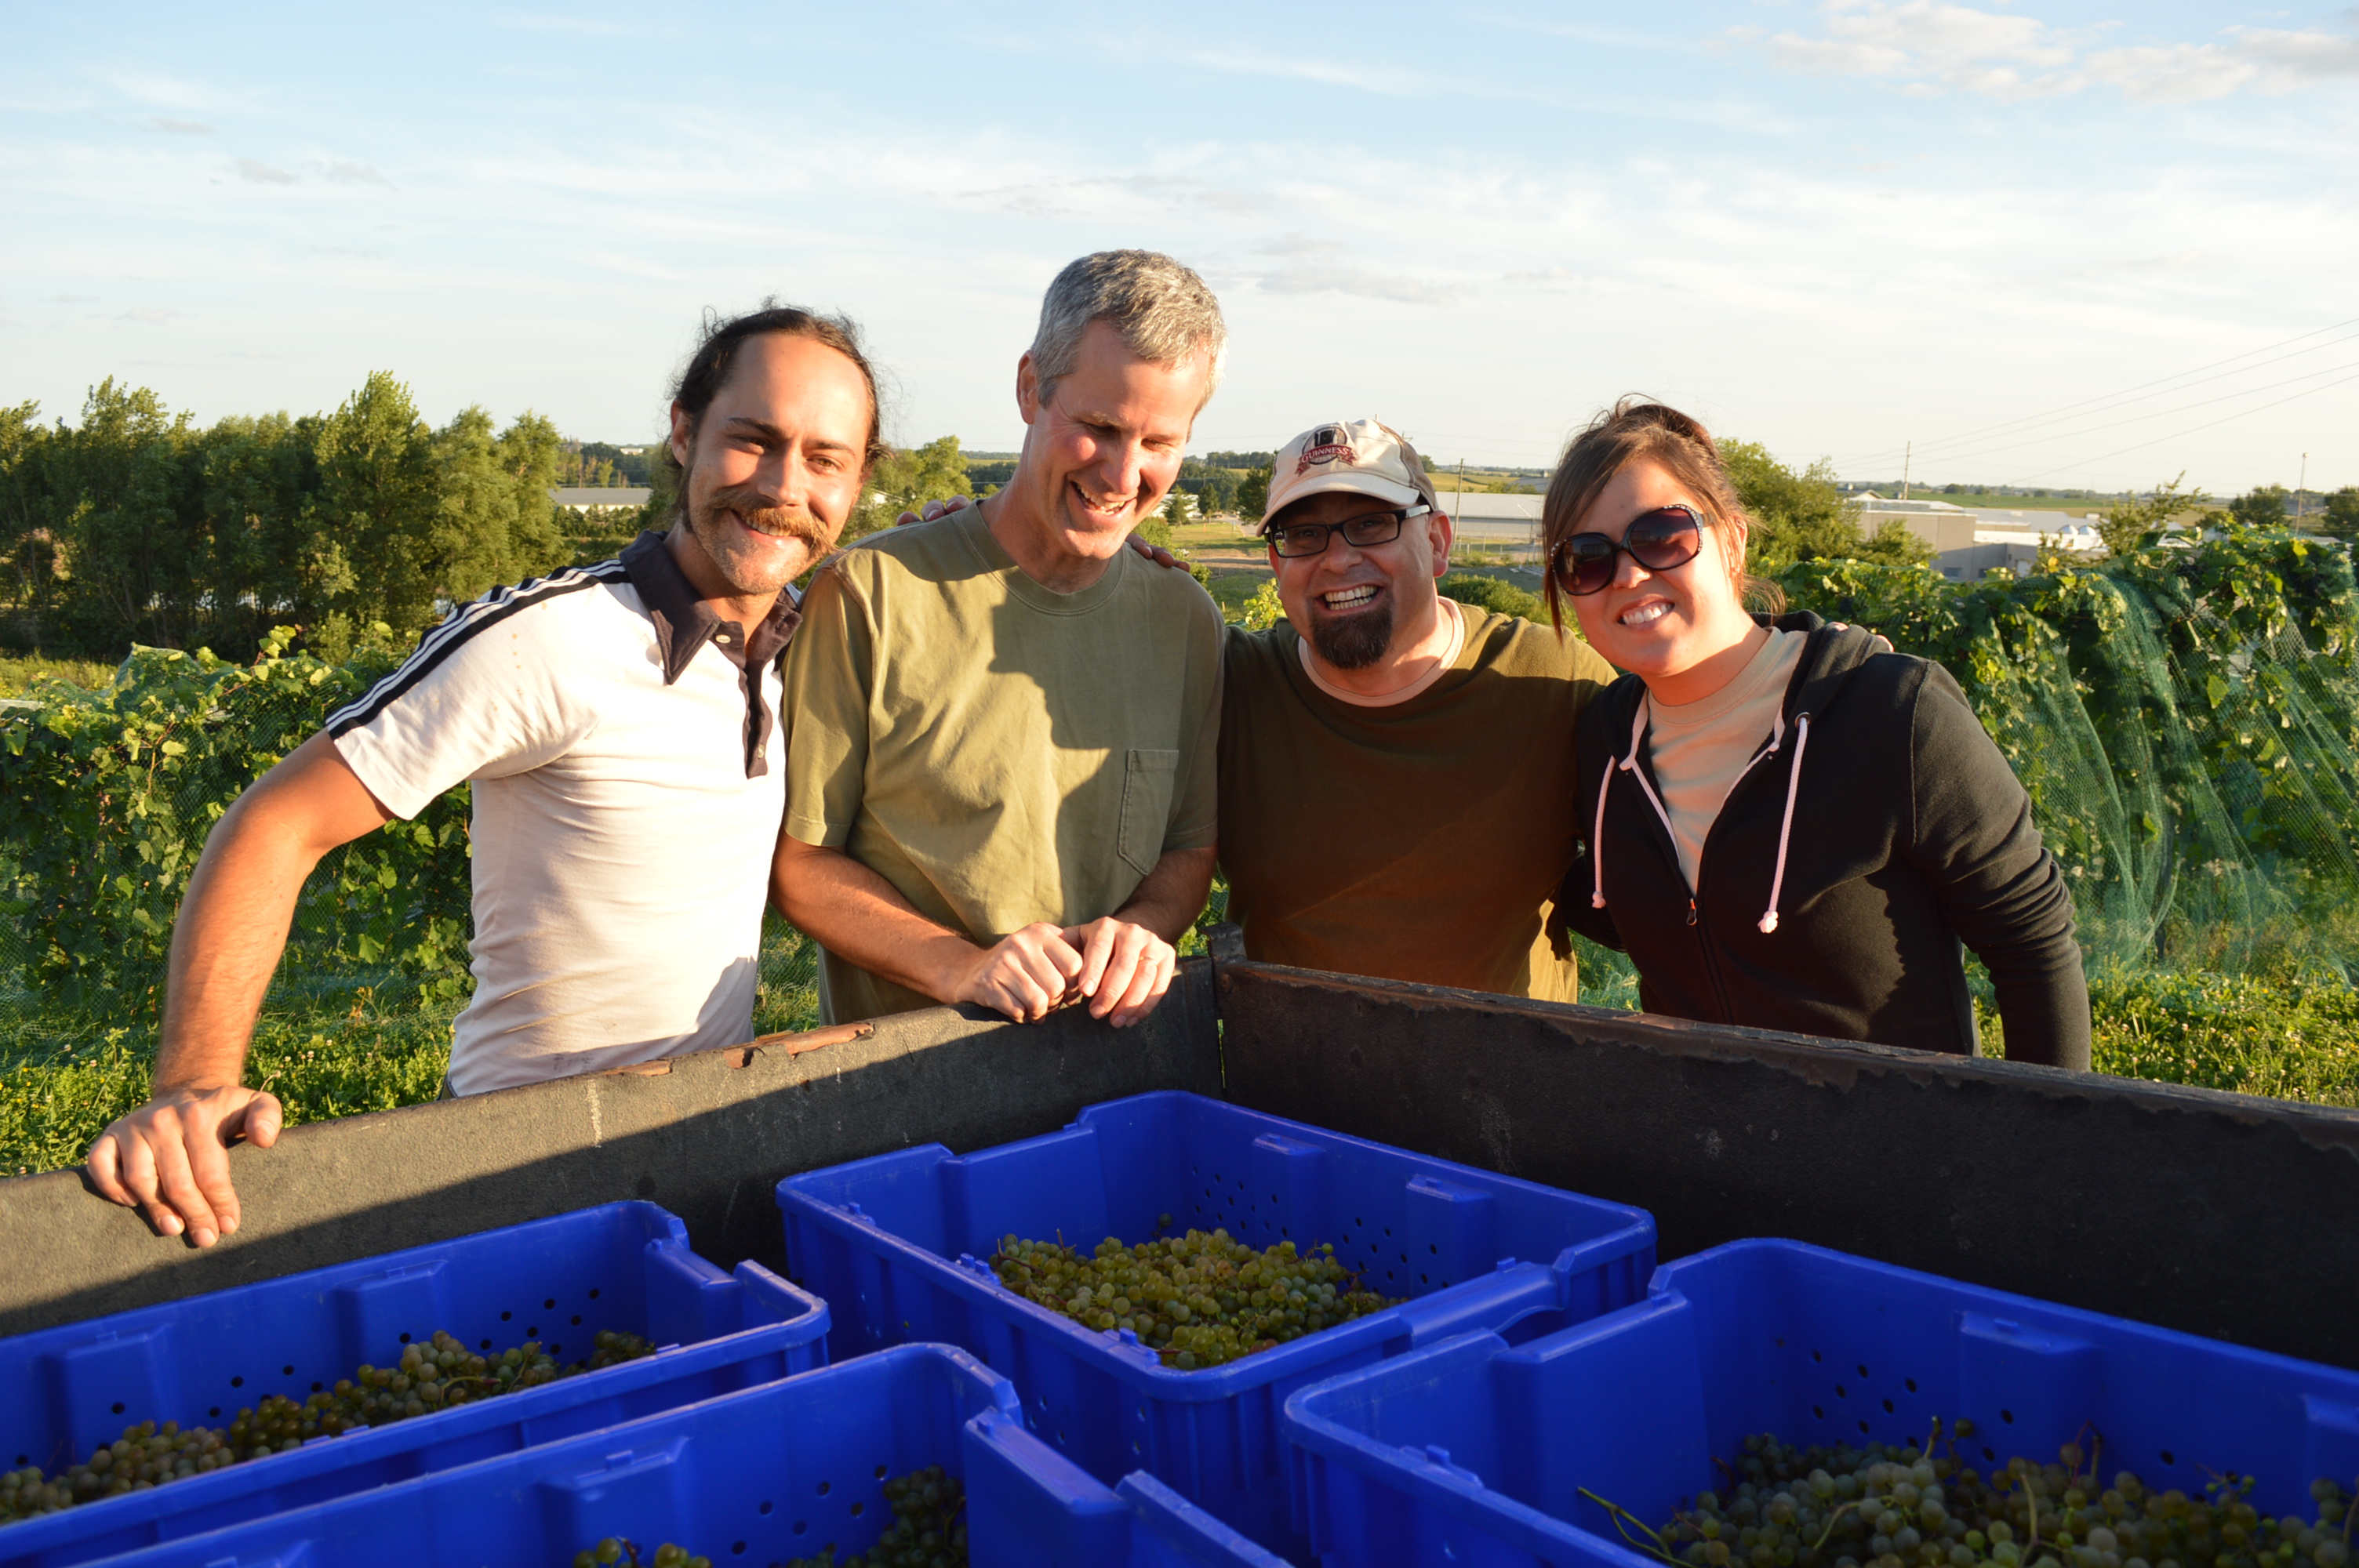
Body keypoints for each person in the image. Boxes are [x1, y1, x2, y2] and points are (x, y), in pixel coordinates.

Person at [85, 302, 886, 1247]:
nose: (783, 486)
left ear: (858, 481)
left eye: (825, 459)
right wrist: (191, 1086)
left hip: (699, 1150)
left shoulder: (810, 641)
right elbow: (273, 825)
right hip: (516, 1168)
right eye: (752, 440)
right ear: (682, 431)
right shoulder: (551, 638)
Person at [1554, 399, 2090, 1066]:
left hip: (1896, 1153)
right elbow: (1643, 906)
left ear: (1731, 540)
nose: (1629, 575)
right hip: (1695, 1148)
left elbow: (2032, 942)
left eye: (1662, 535)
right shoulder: (1603, 743)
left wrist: (2038, 1148)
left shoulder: (1890, 714)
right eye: (1587, 557)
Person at [770, 251, 1225, 1030]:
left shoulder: (1186, 620)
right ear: (1028, 387)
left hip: (1108, 1090)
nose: (1122, 474)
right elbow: (801, 865)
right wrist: (963, 966)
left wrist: (1143, 931)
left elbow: (1187, 847)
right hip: (903, 1101)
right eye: (1097, 428)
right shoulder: (869, 595)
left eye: (1160, 443)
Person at [1216, 418, 1618, 1000]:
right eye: (1303, 535)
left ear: (1436, 542)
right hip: (1288, 1083)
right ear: (1278, 567)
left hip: (1516, 1079)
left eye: (1371, 524)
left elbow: (1659, 874)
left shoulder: (1550, 678)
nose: (1336, 559)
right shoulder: (1233, 687)